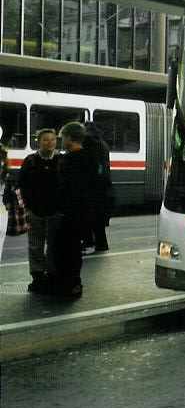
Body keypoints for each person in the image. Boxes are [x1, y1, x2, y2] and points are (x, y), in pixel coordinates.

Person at [55, 121, 102, 299]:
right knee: (72, 248)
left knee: (66, 248)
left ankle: (70, 283)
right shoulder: (88, 158)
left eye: (63, 137)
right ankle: (72, 283)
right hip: (81, 212)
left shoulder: (72, 160)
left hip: (72, 212)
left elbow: (68, 187)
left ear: (69, 138)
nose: (61, 140)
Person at [17, 129, 61, 293]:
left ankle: (52, 274)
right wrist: (26, 208)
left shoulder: (61, 161)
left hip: (55, 212)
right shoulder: (30, 161)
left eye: (52, 140)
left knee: (53, 245)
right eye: (45, 140)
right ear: (38, 142)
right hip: (35, 211)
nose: (49, 143)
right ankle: (37, 276)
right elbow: (20, 186)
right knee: (35, 245)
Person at [81, 121, 112, 254]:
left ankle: (89, 244)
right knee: (98, 218)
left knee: (88, 216)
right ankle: (101, 244)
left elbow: (96, 165)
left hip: (93, 186)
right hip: (103, 185)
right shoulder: (102, 143)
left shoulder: (89, 142)